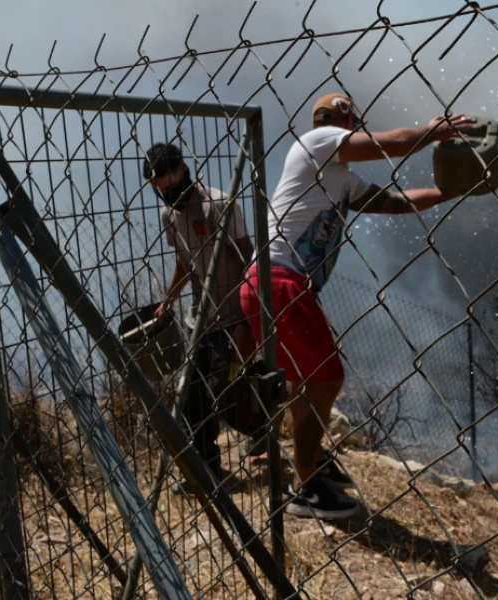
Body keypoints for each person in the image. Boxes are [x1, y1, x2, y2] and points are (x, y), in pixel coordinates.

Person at [239, 93, 472, 519]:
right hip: (281, 280)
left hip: (271, 283)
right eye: (354, 120)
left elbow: (394, 202)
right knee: (327, 379)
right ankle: (304, 486)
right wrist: (434, 131)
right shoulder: (318, 141)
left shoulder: (339, 177)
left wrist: (446, 192)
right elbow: (392, 144)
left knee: (308, 382)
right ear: (344, 120)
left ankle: (308, 465)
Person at [145, 142, 260, 495]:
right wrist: (169, 299)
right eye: (159, 191)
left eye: (170, 185)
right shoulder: (170, 216)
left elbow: (247, 260)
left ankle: (261, 432)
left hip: (232, 315)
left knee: (223, 391)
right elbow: (185, 260)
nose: (167, 195)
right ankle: (207, 472)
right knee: (194, 396)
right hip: (200, 320)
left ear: (183, 170)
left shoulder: (218, 205)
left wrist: (247, 320)